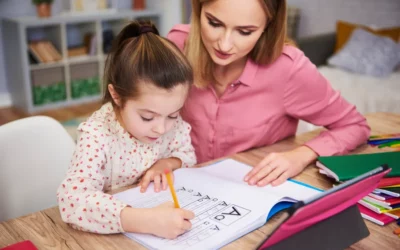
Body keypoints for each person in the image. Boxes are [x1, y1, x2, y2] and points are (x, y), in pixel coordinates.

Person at [166, 0, 370, 187]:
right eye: (214, 23)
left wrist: (301, 155)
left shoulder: (289, 69)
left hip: (251, 191)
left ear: (267, 27)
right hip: (178, 184)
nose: (225, 44)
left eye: (245, 32)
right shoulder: (176, 46)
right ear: (198, 10)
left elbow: (354, 125)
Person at [57, 21, 196, 238]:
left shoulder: (169, 123)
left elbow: (188, 156)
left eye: (173, 115)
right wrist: (147, 220)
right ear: (117, 96)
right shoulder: (97, 134)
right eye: (147, 117)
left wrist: (168, 163)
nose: (161, 128)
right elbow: (72, 200)